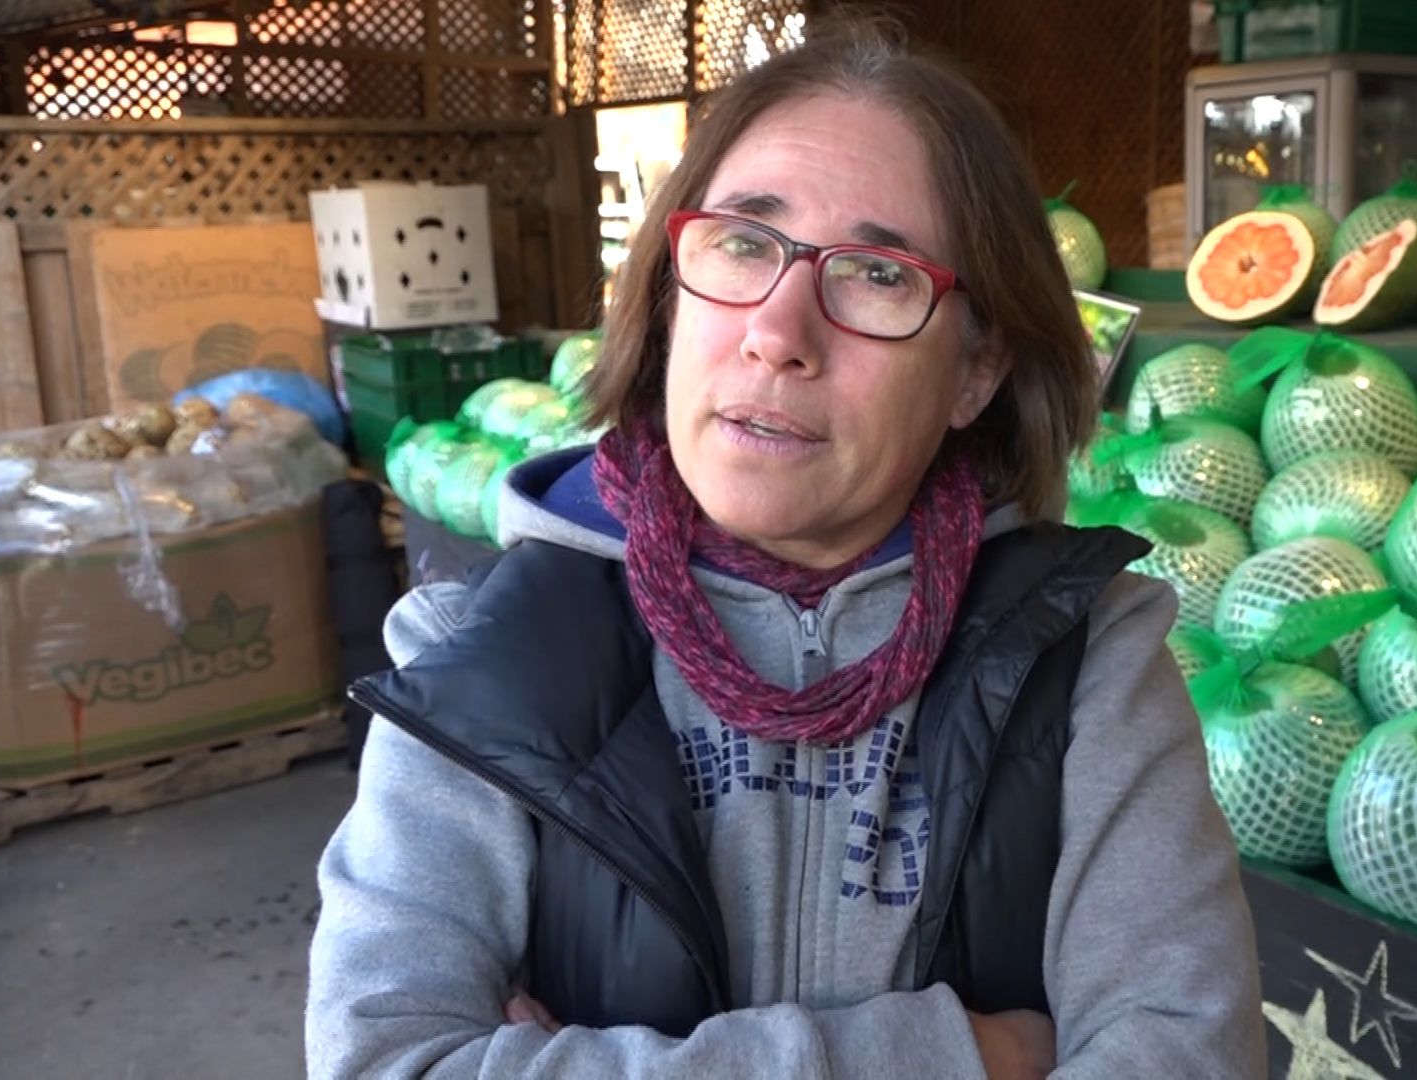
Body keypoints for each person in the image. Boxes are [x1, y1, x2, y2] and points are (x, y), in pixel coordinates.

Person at [305, 11, 1266, 1079]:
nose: (777, 330)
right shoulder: (478, 659)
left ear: (976, 371)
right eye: (743, 244)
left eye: (877, 276)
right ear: (672, 297)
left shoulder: (1090, 664)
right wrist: (968, 1057)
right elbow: (386, 1061)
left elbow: (1189, 1059)